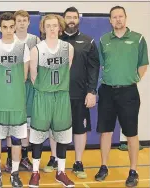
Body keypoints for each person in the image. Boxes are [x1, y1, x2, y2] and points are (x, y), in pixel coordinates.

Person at [95, 6, 148, 187]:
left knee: (131, 133)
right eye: (114, 17)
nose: (117, 19)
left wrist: (133, 79)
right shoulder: (103, 40)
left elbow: (143, 64)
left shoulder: (138, 39)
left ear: (126, 18)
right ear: (110, 20)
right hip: (108, 91)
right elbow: (101, 65)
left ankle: (133, 171)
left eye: (120, 16)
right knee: (106, 132)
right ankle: (104, 166)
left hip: (128, 92)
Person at [28, 14, 75, 188]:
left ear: (60, 27)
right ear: (43, 28)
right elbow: (34, 77)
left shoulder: (68, 48)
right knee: (38, 137)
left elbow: (67, 69)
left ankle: (61, 172)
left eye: (55, 25)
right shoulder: (37, 50)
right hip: (43, 96)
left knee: (62, 137)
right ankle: (35, 172)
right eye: (48, 26)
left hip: (61, 96)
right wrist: (46, 89)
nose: (52, 29)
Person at [0, 12, 30, 188]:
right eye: (5, 27)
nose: (9, 30)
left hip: (17, 101)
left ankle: (14, 173)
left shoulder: (23, 48)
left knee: (16, 140)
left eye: (12, 26)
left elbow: (24, 75)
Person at [59, 7, 100, 179]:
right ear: (63, 19)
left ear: (78, 20)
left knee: (80, 129)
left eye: (74, 17)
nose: (71, 20)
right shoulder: (55, 40)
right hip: (58, 94)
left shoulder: (88, 41)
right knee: (56, 128)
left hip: (80, 94)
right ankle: (55, 159)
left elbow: (93, 69)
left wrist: (91, 91)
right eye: (68, 17)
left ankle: (78, 162)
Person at [4, 9, 41, 173]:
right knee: (11, 122)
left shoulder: (35, 40)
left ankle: (24, 157)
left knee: (26, 124)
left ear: (28, 22)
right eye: (18, 20)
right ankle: (10, 157)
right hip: (12, 87)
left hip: (29, 87)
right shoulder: (7, 40)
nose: (21, 23)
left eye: (24, 20)